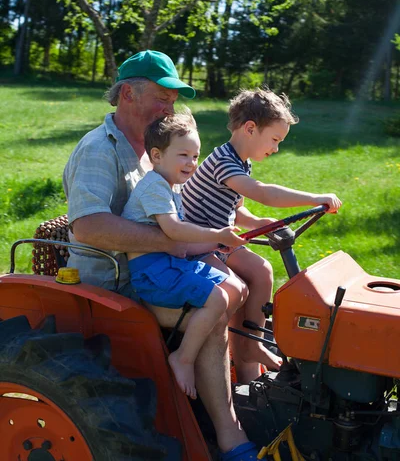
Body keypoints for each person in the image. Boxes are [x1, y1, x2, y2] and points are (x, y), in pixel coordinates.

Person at [63, 50, 258, 461]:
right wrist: (177, 244)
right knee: (213, 308)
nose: (169, 108)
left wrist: (222, 234)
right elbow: (89, 226)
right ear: (127, 95)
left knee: (240, 284)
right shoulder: (100, 149)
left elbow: (179, 207)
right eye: (162, 97)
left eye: (172, 101)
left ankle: (241, 389)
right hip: (113, 280)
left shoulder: (155, 148)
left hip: (154, 266)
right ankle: (227, 435)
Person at [182, 87, 342, 383]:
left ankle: (251, 349)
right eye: (275, 140)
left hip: (220, 241)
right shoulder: (223, 161)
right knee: (238, 287)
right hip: (197, 245)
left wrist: (255, 221)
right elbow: (262, 192)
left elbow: (235, 208)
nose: (276, 148)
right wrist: (316, 197)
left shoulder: (240, 160)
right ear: (250, 128)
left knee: (263, 270)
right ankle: (230, 351)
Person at [122, 112, 248, 400]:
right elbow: (174, 230)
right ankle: (184, 358)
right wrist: (217, 234)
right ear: (156, 155)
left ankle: (217, 353)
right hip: (151, 272)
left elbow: (179, 242)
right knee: (218, 297)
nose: (192, 163)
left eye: (196, 156)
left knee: (235, 288)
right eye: (183, 155)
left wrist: (215, 247)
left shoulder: (171, 187)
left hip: (169, 263)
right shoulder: (154, 186)